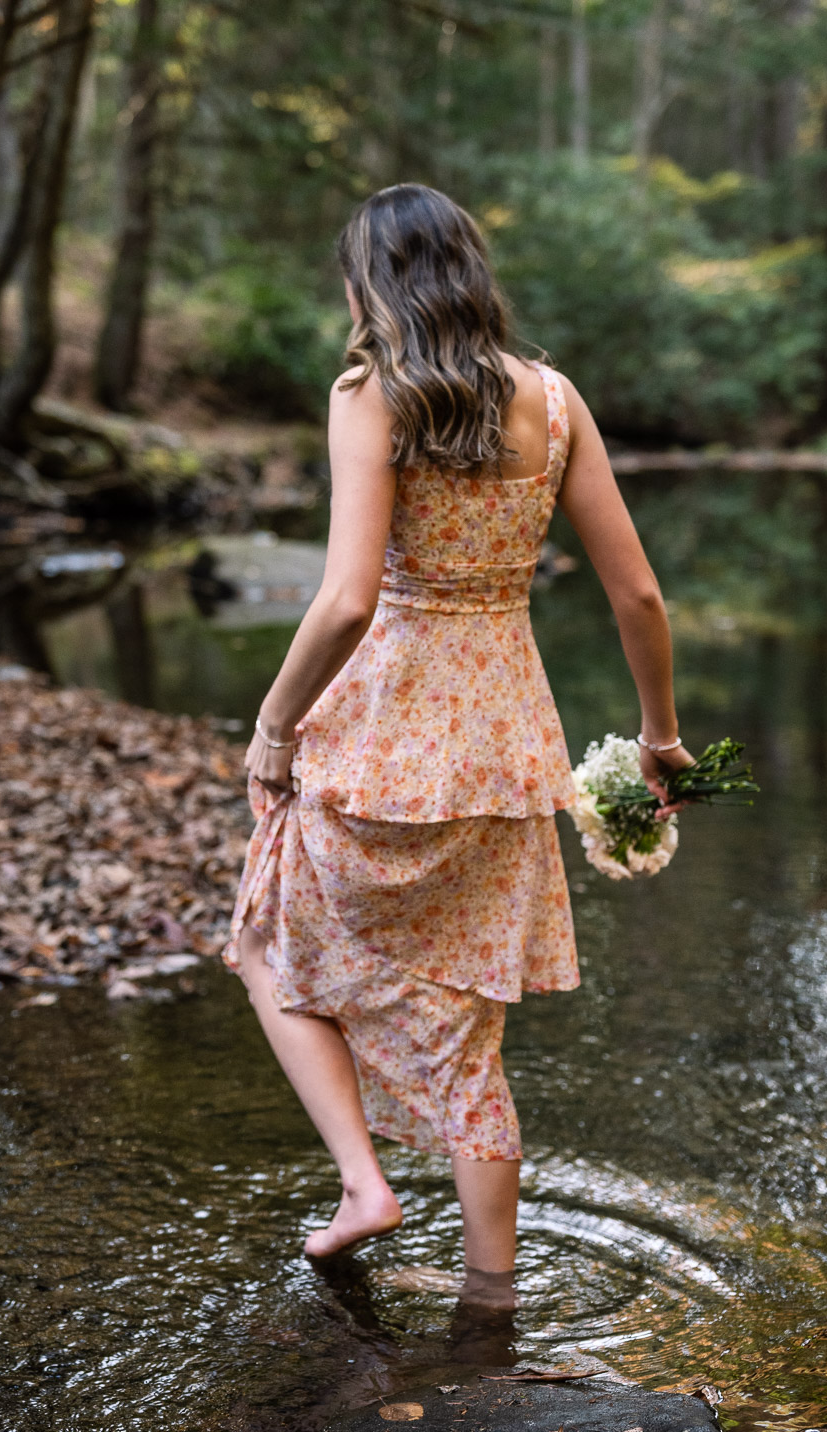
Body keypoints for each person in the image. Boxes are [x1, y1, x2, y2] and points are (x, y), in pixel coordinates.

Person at [222, 183, 691, 1289]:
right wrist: (659, 734)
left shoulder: (369, 394)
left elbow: (346, 600)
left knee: (264, 940)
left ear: (371, 284)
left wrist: (273, 728)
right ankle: (491, 1304)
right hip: (505, 749)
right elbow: (637, 595)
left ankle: (363, 1184)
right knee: (471, 1037)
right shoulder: (556, 402)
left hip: (380, 738)